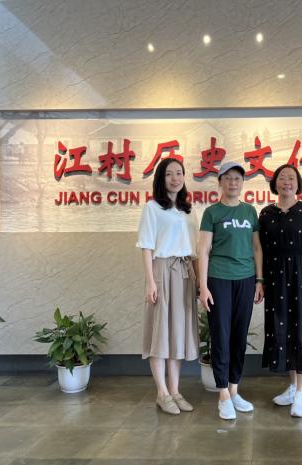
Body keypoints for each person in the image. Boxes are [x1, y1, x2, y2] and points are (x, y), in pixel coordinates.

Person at [258, 164, 302, 417]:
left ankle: (301, 393)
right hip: (276, 280)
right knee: (285, 333)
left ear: (298, 184)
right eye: (282, 178)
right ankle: (292, 387)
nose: (286, 182)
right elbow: (261, 251)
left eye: (291, 178)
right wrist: (260, 280)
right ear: (275, 184)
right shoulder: (266, 213)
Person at [198, 161, 264, 420]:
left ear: (242, 183)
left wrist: (259, 280)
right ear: (220, 182)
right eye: (228, 178)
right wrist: (203, 287)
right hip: (219, 279)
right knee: (221, 335)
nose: (233, 182)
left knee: (238, 336)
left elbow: (257, 248)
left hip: (246, 279)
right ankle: (223, 393)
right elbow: (204, 250)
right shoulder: (212, 213)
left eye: (237, 178)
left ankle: (234, 390)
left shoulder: (250, 212)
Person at [137, 158, 199, 415]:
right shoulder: (152, 208)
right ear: (161, 179)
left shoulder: (189, 210)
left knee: (177, 333)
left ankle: (175, 390)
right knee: (160, 332)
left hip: (185, 273)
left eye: (179, 173)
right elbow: (146, 246)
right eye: (169, 174)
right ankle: (162, 393)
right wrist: (150, 282)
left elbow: (195, 251)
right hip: (162, 270)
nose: (175, 178)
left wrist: (199, 281)